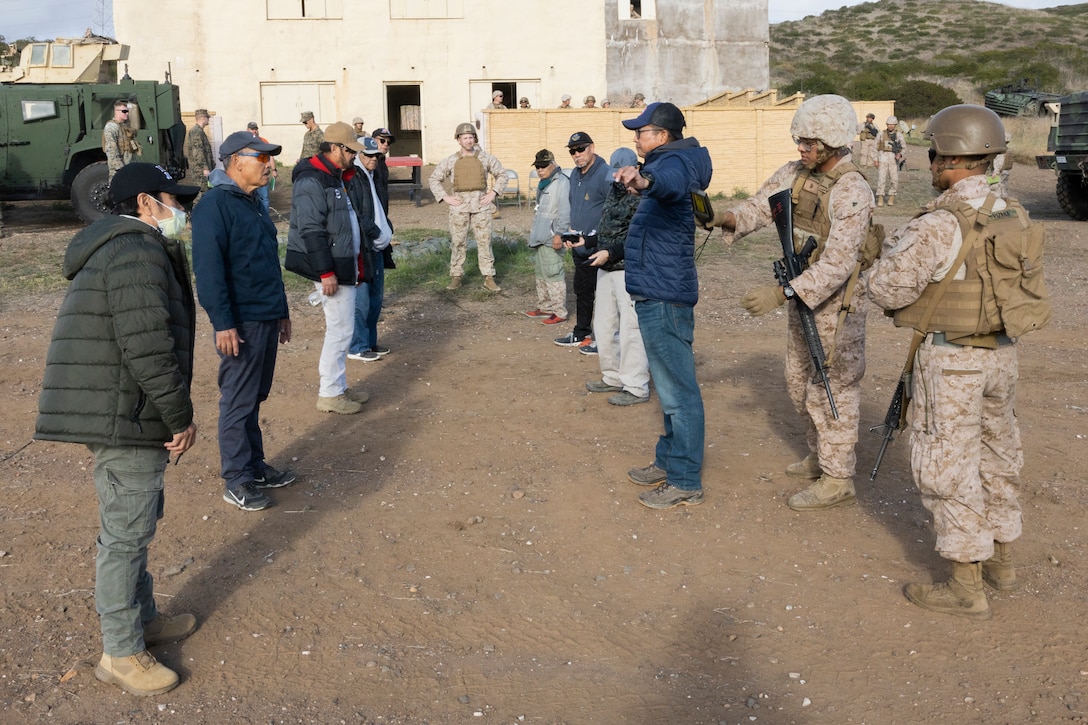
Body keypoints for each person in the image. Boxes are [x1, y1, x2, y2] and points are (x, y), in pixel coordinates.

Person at [34, 163, 200, 696]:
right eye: (178, 201)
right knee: (126, 533)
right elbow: (148, 346)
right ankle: (122, 651)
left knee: (137, 519)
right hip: (124, 412)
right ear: (147, 204)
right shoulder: (135, 251)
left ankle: (143, 617)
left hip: (122, 406)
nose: (184, 211)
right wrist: (179, 416)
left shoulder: (130, 247)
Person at [867, 105, 1038, 620]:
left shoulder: (941, 221)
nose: (932, 163)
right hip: (1001, 355)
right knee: (998, 454)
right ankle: (1002, 561)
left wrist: (879, 261)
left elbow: (887, 287)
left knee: (946, 464)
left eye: (935, 154)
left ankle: (966, 584)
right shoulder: (1012, 211)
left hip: (952, 360)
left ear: (949, 156)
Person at [705, 94, 874, 511]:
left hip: (837, 305)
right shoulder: (796, 174)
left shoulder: (852, 190)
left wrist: (781, 294)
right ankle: (820, 455)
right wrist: (722, 218)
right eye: (799, 140)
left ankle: (838, 478)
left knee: (832, 388)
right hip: (803, 295)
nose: (801, 148)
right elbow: (760, 207)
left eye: (809, 142)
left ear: (832, 142)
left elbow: (837, 264)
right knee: (799, 382)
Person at [614, 102, 712, 509]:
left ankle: (686, 479)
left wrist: (644, 180)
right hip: (658, 290)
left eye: (643, 131)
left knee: (678, 391)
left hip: (665, 295)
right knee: (669, 386)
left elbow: (666, 182)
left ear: (663, 136)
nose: (636, 137)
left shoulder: (673, 164)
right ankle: (669, 460)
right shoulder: (675, 160)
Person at [191, 130, 294, 512]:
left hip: (265, 314)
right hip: (241, 320)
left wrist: (281, 310)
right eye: (262, 158)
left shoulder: (252, 203)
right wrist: (223, 323)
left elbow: (266, 262)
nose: (270, 166)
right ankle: (236, 479)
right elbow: (209, 270)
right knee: (237, 399)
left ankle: (254, 466)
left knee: (255, 395)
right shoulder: (215, 205)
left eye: (270, 159)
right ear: (236, 161)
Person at [285, 122, 369, 414]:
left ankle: (338, 387)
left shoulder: (335, 176)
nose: (354, 156)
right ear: (335, 148)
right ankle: (330, 392)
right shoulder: (313, 180)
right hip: (330, 267)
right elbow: (311, 230)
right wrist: (325, 273)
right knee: (340, 329)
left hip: (341, 264)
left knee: (343, 328)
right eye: (350, 150)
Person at [586, 147, 650, 406]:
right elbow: (609, 226)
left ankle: (635, 385)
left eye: (619, 175)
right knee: (604, 326)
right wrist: (588, 241)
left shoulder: (645, 195)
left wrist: (611, 252)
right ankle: (612, 376)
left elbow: (641, 237)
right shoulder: (616, 189)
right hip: (606, 267)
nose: (616, 180)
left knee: (630, 329)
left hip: (629, 268)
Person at [427, 122, 508, 292]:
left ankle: (488, 277)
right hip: (459, 207)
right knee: (458, 243)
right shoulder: (451, 160)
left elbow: (502, 174)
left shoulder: (485, 158)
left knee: (485, 242)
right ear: (458, 140)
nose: (469, 141)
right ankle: (456, 276)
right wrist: (445, 197)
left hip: (481, 206)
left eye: (471, 137)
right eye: (465, 138)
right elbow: (434, 178)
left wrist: (493, 193)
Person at [553, 131, 611, 352]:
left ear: (592, 148)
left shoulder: (605, 174)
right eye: (572, 151)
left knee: (605, 297)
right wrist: (570, 230)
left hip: (600, 247)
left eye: (581, 149)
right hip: (579, 245)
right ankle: (581, 333)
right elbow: (575, 204)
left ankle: (603, 340)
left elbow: (612, 209)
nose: (577, 154)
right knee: (583, 291)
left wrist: (600, 237)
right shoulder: (575, 175)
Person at [347, 136, 394, 363]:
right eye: (369, 155)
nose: (374, 159)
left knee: (375, 299)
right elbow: (356, 213)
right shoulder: (354, 178)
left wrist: (387, 229)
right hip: (363, 247)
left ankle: (370, 342)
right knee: (361, 299)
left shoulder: (374, 176)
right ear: (358, 155)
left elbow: (378, 208)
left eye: (377, 156)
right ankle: (357, 345)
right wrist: (376, 231)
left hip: (376, 247)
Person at [524, 149, 571, 324]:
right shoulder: (543, 183)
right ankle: (545, 307)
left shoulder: (561, 183)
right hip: (540, 235)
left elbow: (565, 211)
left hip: (552, 236)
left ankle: (559, 311)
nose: (540, 169)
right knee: (541, 273)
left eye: (543, 166)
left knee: (554, 273)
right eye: (537, 166)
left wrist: (559, 234)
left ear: (553, 164)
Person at [246, 121, 278, 214]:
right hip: (250, 175)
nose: (254, 131)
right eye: (252, 129)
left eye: (256, 129)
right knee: (250, 197)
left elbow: (271, 156)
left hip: (263, 174)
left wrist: (274, 170)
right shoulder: (245, 143)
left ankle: (265, 217)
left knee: (264, 197)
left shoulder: (263, 141)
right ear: (247, 130)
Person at [876, 114, 905, 206]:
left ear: (895, 125)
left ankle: (891, 198)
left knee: (894, 180)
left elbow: (904, 148)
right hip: (882, 158)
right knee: (881, 179)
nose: (890, 126)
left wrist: (899, 154)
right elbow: (875, 147)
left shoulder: (899, 135)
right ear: (886, 124)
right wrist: (875, 159)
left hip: (893, 160)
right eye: (889, 124)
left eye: (892, 124)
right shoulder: (881, 134)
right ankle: (880, 198)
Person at [103, 99, 136, 181]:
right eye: (124, 111)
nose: (127, 113)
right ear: (116, 111)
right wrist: (120, 168)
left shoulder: (124, 126)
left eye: (128, 111)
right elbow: (111, 150)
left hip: (128, 166)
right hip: (119, 169)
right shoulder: (111, 127)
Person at [184, 109, 215, 192]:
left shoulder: (199, 131)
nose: (208, 119)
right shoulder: (196, 132)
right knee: (202, 193)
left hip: (203, 169)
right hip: (200, 171)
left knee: (206, 193)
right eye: (207, 117)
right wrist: (205, 168)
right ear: (203, 118)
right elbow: (197, 152)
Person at [988, 131, 1013, 197]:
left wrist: (995, 173)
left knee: (996, 190)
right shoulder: (1007, 149)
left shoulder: (1000, 151)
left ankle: (999, 204)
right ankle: (1004, 202)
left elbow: (998, 162)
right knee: (1003, 188)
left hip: (998, 173)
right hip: (1005, 172)